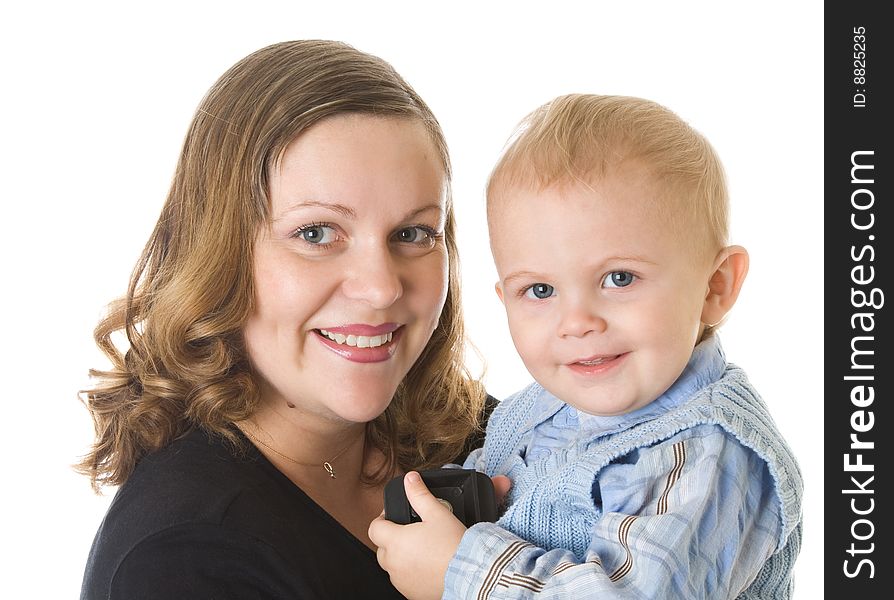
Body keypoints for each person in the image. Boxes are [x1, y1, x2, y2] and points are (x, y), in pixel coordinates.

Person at [77, 40, 489, 600]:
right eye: (316, 233)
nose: (380, 287)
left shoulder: (498, 438)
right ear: (218, 255)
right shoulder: (184, 561)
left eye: (412, 233)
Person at [369, 94, 804, 599]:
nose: (576, 322)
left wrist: (459, 569)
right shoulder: (539, 408)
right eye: (540, 291)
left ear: (715, 287)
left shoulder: (710, 454)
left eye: (619, 278)